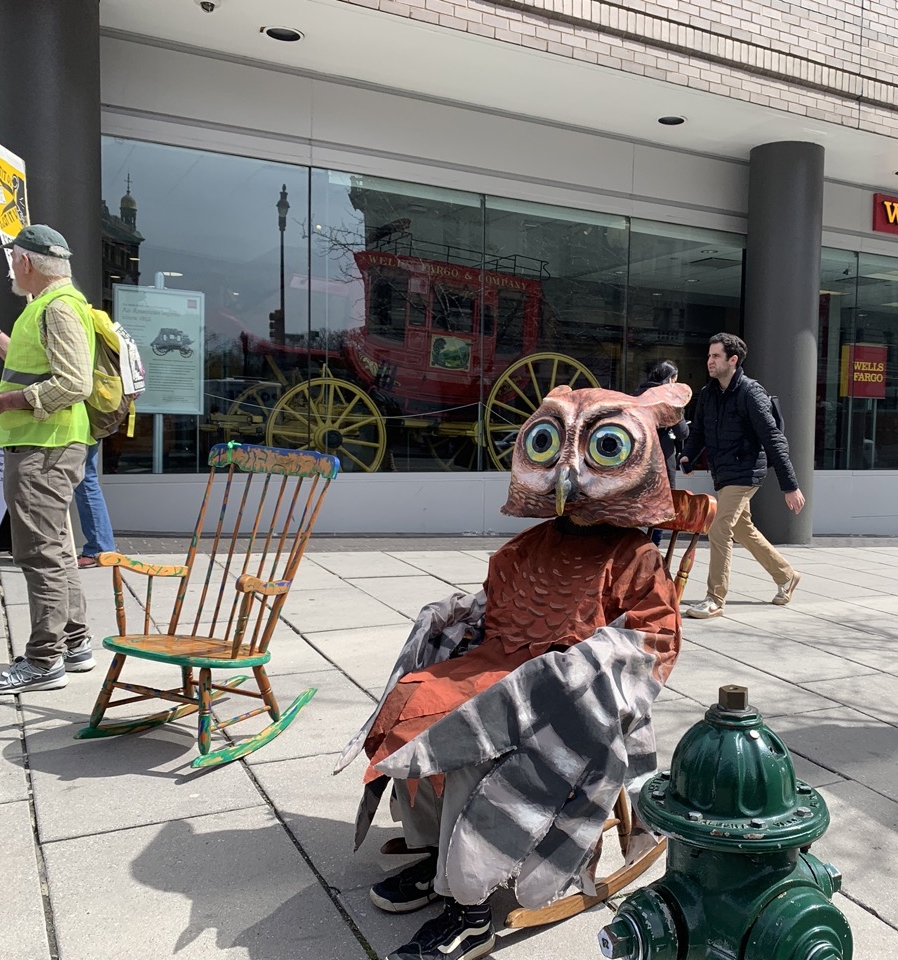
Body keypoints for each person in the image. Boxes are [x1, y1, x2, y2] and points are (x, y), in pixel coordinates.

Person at [336, 382, 689, 960]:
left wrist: (580, 664)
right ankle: (437, 855)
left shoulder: (634, 558)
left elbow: (653, 641)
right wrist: (454, 617)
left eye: (601, 448)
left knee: (477, 733)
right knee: (412, 703)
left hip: (570, 696)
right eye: (550, 443)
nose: (569, 471)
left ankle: (469, 908)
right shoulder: (523, 549)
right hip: (499, 661)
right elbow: (493, 605)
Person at [0, 224, 97, 692]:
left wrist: (3, 403)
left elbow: (74, 384)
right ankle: (75, 642)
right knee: (55, 549)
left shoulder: (58, 308)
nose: (11, 266)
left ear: (25, 262)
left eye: (13, 259)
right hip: (46, 444)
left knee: (38, 553)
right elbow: (41, 370)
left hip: (43, 448)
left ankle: (43, 660)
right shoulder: (51, 306)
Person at [679, 332, 805, 619]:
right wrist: (688, 454)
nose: (709, 361)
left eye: (716, 356)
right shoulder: (709, 393)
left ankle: (715, 598)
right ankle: (786, 576)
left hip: (746, 472)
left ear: (732, 360)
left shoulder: (751, 393)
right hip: (723, 472)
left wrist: (790, 486)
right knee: (741, 529)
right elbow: (699, 431)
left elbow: (773, 438)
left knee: (720, 527)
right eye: (709, 355)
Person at [634, 359, 688, 546]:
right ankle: (653, 545)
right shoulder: (669, 398)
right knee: (660, 503)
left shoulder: (637, 394)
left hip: (637, 456)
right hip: (662, 456)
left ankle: (631, 544)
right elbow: (682, 433)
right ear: (671, 379)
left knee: (636, 499)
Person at [74, 441, 116, 567]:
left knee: (85, 480)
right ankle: (101, 548)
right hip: (86, 429)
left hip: (81, 430)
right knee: (86, 480)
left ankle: (99, 549)